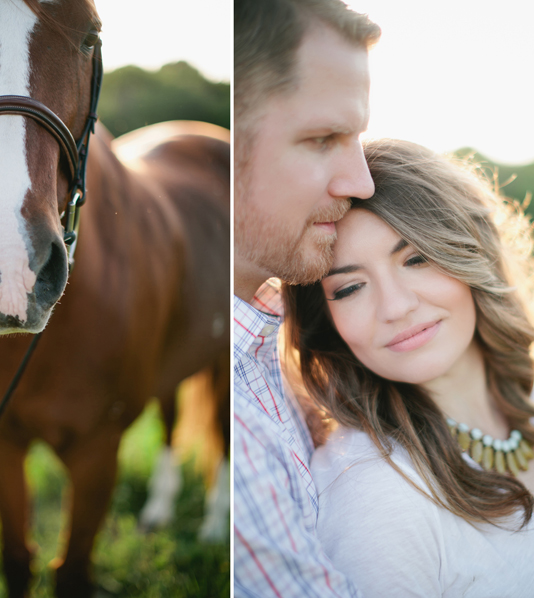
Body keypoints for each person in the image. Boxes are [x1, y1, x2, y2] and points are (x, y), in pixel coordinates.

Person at [282, 138, 534, 597]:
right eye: (349, 288)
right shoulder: (378, 494)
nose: (396, 307)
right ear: (325, 320)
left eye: (416, 258)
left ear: (471, 251)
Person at [233, 0, 380, 594]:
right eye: (323, 138)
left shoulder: (282, 332)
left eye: (357, 139)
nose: (362, 183)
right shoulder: (244, 447)